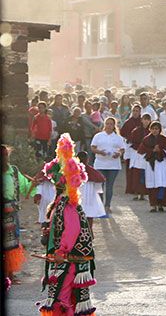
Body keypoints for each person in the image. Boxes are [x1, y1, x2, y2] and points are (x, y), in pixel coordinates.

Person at [37, 134, 96, 315]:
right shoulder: (64, 201)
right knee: (67, 298)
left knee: (63, 299)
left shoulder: (66, 204)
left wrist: (62, 251)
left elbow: (72, 230)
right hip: (69, 259)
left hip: (69, 259)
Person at [3, 145, 39, 284]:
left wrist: (35, 190)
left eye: (6, 155)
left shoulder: (14, 171)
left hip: (11, 213)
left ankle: (10, 275)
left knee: (11, 244)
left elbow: (25, 188)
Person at [91, 117, 125, 213]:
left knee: (109, 186)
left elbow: (122, 148)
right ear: (104, 125)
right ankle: (100, 205)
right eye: (107, 124)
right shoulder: (98, 136)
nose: (109, 126)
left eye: (111, 124)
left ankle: (107, 206)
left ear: (114, 126)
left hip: (113, 165)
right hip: (100, 164)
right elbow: (93, 148)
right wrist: (100, 152)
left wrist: (119, 154)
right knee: (100, 186)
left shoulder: (118, 137)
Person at [138, 121, 166, 212]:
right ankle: (153, 205)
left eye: (156, 129)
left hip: (161, 164)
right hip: (150, 165)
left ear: (160, 129)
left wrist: (160, 150)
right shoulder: (146, 139)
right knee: (152, 185)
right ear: (150, 129)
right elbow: (141, 151)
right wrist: (152, 150)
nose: (154, 131)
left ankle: (161, 204)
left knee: (161, 184)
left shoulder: (165, 139)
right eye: (153, 129)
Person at [76, 151, 106, 234]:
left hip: (76, 196)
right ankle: (89, 233)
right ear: (87, 160)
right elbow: (99, 182)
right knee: (89, 216)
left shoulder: (73, 170)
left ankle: (78, 233)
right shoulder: (92, 171)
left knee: (77, 216)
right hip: (90, 196)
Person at [121, 104, 142, 197]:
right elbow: (122, 133)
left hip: (141, 148)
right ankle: (130, 188)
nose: (135, 113)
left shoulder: (142, 121)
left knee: (139, 169)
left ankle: (140, 189)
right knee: (130, 169)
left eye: (137, 111)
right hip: (130, 148)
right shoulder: (128, 122)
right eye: (134, 111)